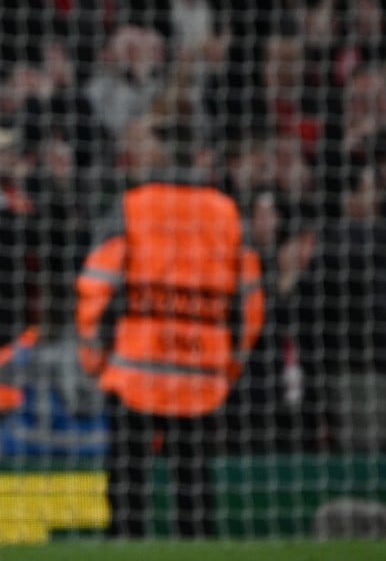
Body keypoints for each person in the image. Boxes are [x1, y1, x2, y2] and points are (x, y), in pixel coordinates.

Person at [75, 116, 265, 538]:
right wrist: (233, 362)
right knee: (195, 495)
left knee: (127, 495)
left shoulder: (133, 206)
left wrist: (91, 353)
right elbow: (251, 299)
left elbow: (95, 285)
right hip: (201, 375)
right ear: (201, 156)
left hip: (135, 371)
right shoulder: (228, 213)